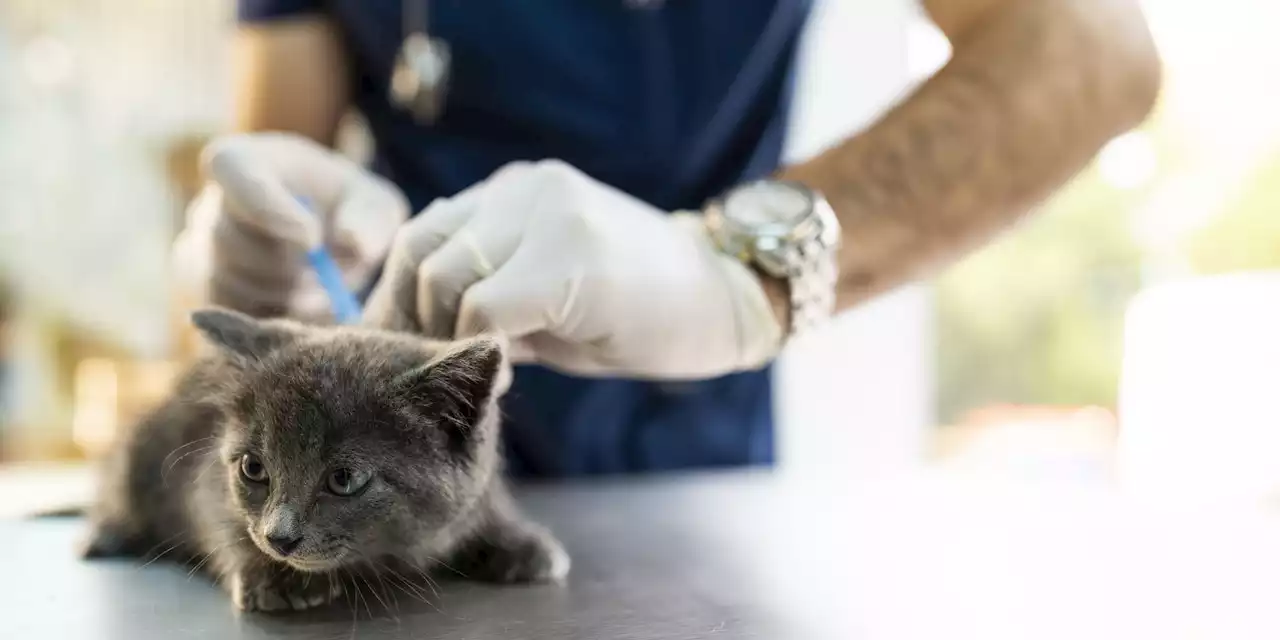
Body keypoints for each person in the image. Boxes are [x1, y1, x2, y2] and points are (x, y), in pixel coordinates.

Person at [175, 0, 1160, 477]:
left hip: (685, 461)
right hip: (381, 469)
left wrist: (734, 268)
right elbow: (276, 143)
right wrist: (262, 254)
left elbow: (1088, 51)